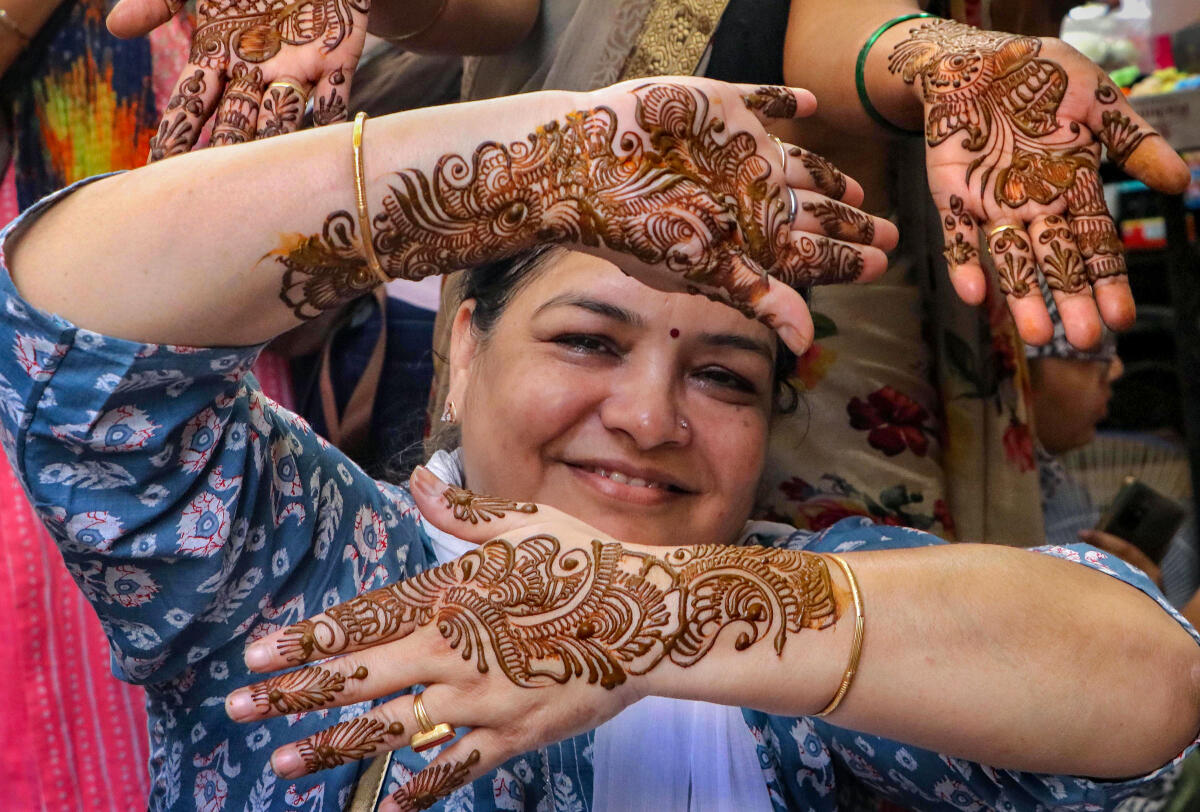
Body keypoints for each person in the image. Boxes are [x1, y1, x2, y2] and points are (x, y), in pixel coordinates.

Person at [2, 57, 1199, 812]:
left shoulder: (797, 618)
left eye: (724, 373)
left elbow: (1150, 680)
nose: (646, 415)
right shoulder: (313, 559)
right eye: (585, 339)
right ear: (464, 352)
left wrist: (655, 616)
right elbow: (69, 327)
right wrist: (534, 163)